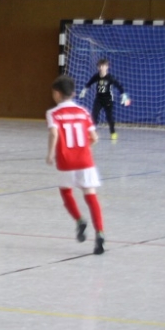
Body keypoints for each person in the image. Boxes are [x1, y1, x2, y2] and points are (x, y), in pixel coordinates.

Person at [47, 75, 106, 255]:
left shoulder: (53, 113)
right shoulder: (84, 112)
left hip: (66, 161)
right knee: (91, 196)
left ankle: (79, 220)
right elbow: (94, 138)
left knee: (66, 192)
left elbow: (54, 134)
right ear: (73, 93)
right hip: (85, 161)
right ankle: (100, 233)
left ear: (57, 94)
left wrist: (50, 154)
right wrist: (84, 148)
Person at [81, 58, 128, 141]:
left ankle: (113, 133)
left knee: (109, 117)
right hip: (98, 99)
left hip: (108, 100)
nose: (101, 68)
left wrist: (123, 95)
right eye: (99, 66)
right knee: (94, 115)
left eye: (103, 66)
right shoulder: (96, 76)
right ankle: (93, 133)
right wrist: (84, 91)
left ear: (107, 67)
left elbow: (119, 86)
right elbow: (89, 83)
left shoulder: (110, 78)